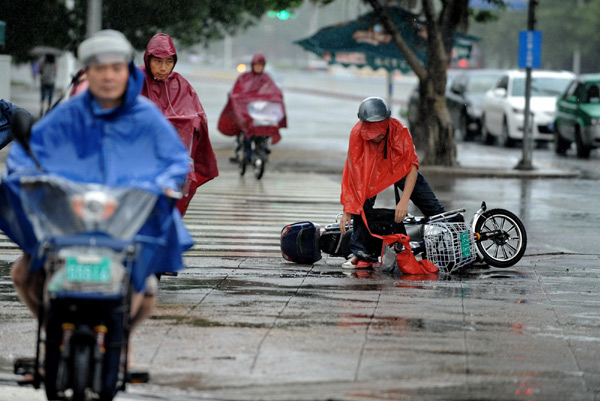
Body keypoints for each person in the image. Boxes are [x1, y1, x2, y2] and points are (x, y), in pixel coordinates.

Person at [4, 30, 192, 367]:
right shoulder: (68, 114)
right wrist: (27, 177)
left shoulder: (146, 116)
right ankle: (50, 332)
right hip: (70, 219)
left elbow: (175, 160)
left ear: (128, 72)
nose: (108, 76)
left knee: (146, 288)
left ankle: (122, 340)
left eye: (116, 69)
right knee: (23, 274)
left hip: (124, 219)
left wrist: (163, 183)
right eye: (99, 68)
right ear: (86, 73)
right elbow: (27, 153)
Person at [339, 97, 446, 269]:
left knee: (435, 210)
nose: (375, 139)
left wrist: (404, 201)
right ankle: (360, 252)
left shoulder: (399, 131)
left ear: (387, 124)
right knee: (361, 204)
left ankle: (458, 245)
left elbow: (412, 167)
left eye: (379, 135)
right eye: (371, 136)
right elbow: (354, 175)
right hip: (373, 173)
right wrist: (348, 209)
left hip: (400, 170)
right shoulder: (357, 134)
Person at [140, 33, 218, 215]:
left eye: (168, 62)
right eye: (158, 61)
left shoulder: (181, 84)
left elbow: (197, 112)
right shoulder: (135, 79)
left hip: (173, 150)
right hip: (140, 150)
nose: (163, 67)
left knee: (186, 179)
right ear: (148, 59)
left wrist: (195, 123)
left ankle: (172, 218)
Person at [218, 53, 287, 164]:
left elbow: (274, 92)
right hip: (247, 112)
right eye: (256, 65)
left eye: (260, 65)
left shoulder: (267, 79)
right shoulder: (244, 78)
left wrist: (277, 99)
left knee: (266, 130)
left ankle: (264, 150)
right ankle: (246, 154)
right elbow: (236, 92)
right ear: (252, 65)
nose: (258, 67)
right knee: (246, 132)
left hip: (262, 113)